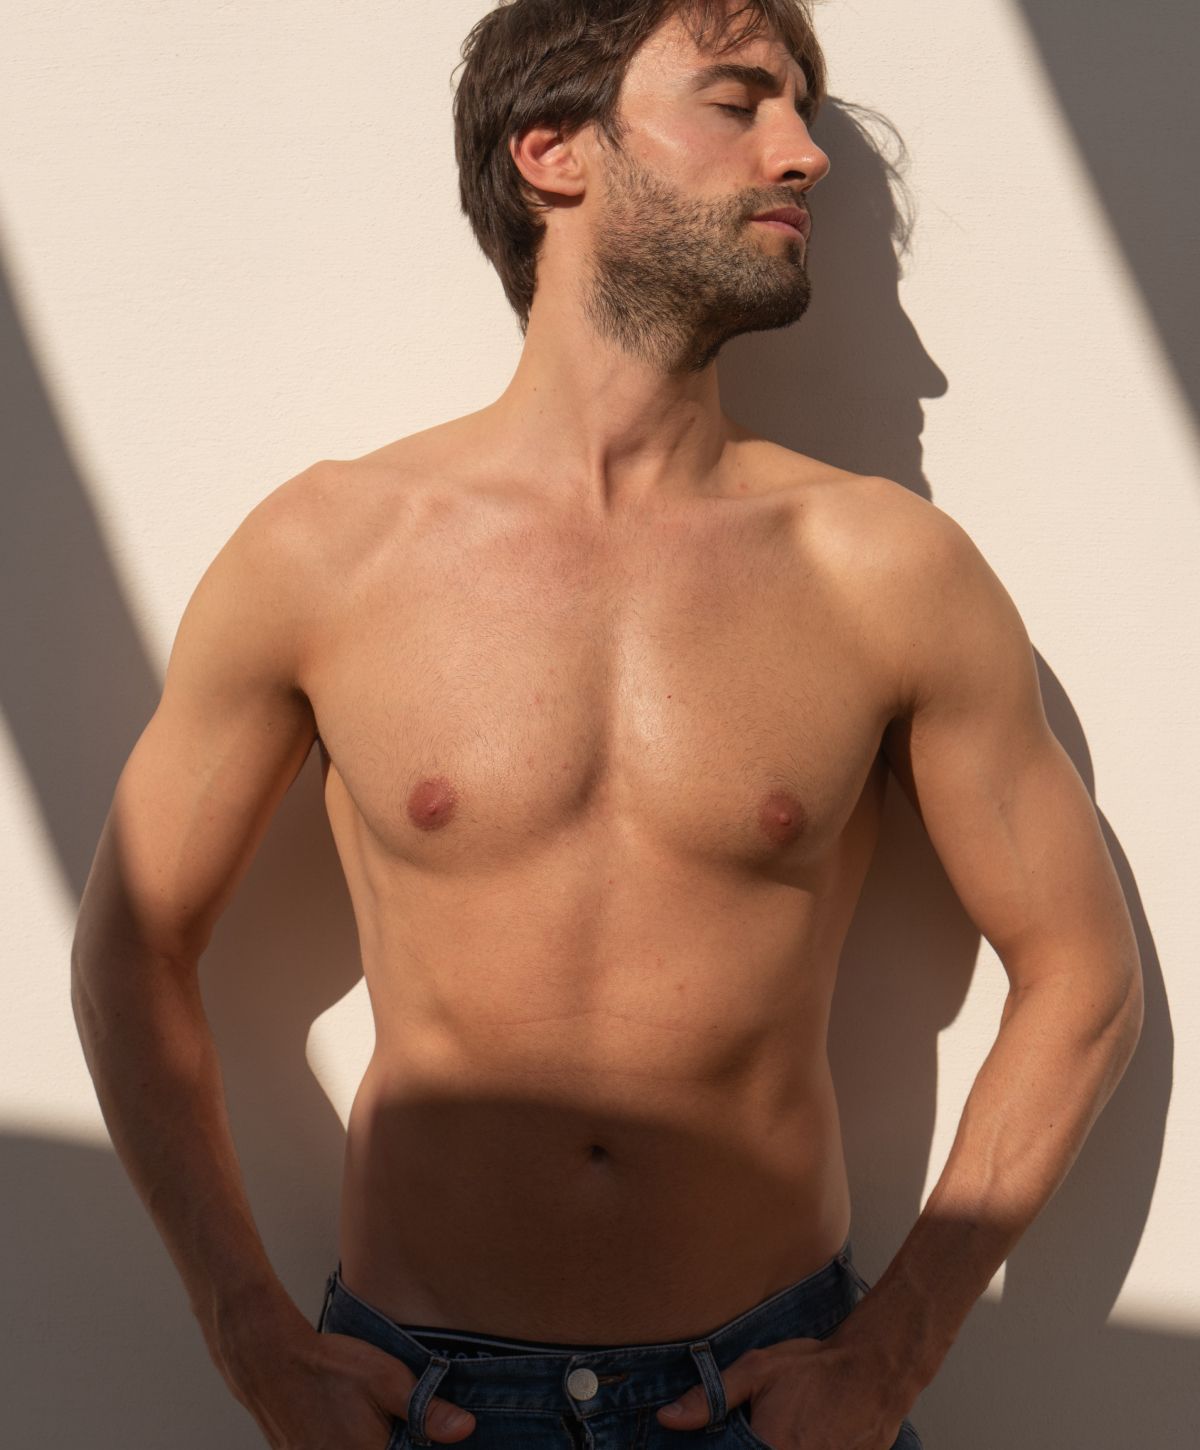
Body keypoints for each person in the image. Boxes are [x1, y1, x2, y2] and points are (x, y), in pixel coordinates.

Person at [71, 2, 1144, 1447]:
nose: (802, 153)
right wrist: (250, 1334)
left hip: (770, 1393)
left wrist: (893, 1352)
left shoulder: (888, 571)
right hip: (413, 1399)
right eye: (738, 101)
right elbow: (132, 939)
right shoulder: (329, 551)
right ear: (552, 152)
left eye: (806, 111)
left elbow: (1083, 973)